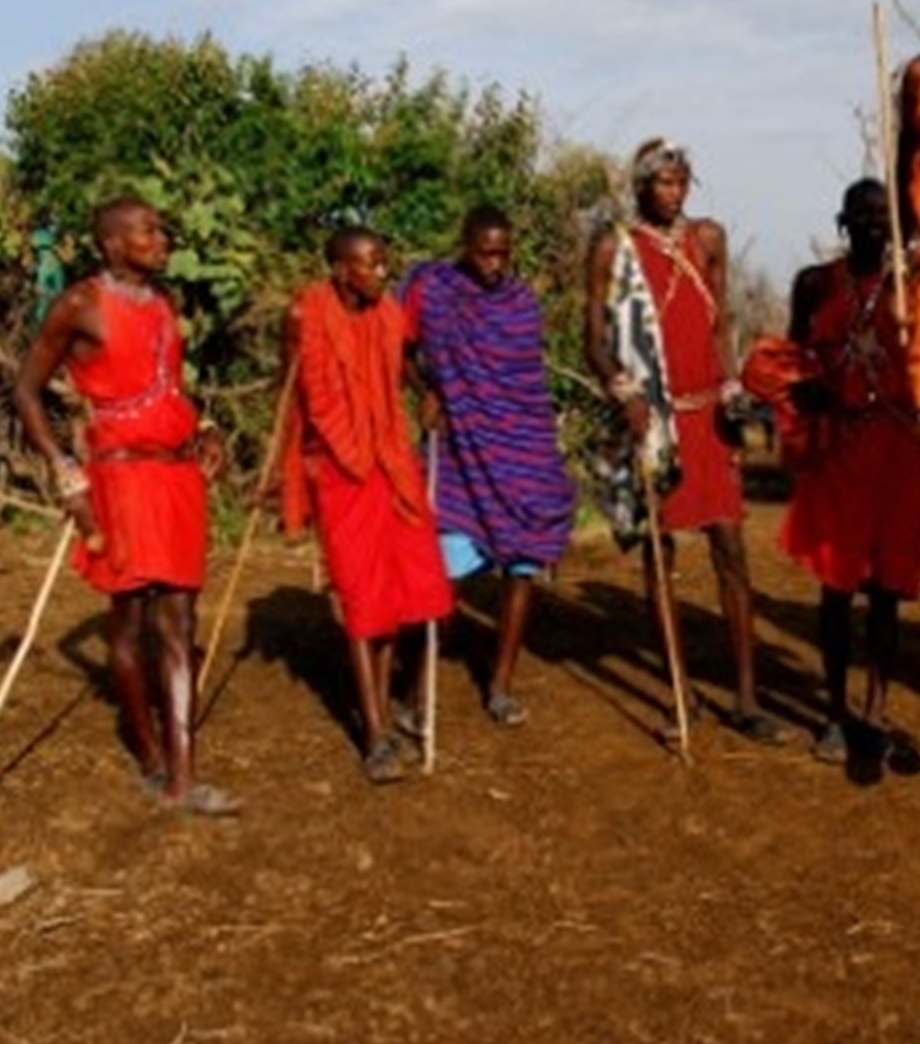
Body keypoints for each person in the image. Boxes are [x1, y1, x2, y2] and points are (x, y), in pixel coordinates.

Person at [14, 196, 235, 815]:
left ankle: (182, 779)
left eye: (161, 229)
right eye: (148, 232)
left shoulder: (163, 303)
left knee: (181, 621)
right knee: (133, 621)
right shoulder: (79, 305)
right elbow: (26, 390)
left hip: (176, 476)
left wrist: (204, 427)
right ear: (112, 244)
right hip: (121, 478)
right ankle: (153, 757)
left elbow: (171, 388)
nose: (162, 240)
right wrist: (66, 474)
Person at [584, 138, 786, 747]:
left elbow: (720, 322)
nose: (674, 193)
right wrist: (624, 391)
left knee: (731, 548)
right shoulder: (614, 248)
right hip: (654, 419)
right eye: (662, 183)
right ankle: (679, 692)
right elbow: (594, 338)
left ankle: (746, 698)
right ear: (641, 186)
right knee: (660, 553)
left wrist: (732, 387)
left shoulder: (708, 239)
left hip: (707, 413)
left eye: (681, 182)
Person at [759, 179, 920, 766]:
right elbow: (794, 360)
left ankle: (876, 711)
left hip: (897, 453)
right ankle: (834, 713)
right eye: (863, 215)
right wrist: (804, 401)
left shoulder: (913, 288)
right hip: (839, 450)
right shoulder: (815, 284)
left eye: (883, 215)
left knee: (885, 592)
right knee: (836, 590)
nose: (874, 224)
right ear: (843, 222)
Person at [279, 227, 454, 785]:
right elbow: (295, 391)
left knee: (402, 587)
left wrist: (424, 392)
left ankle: (382, 703)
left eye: (384, 263)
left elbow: (400, 360)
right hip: (338, 467)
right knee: (360, 594)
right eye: (370, 264)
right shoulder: (305, 314)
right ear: (340, 270)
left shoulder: (386, 312)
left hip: (391, 460)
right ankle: (375, 735)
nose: (382, 273)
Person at [402, 204, 578, 727]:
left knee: (521, 568)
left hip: (522, 450)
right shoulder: (433, 291)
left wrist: (535, 452)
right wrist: (426, 388)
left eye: (503, 254)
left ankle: (500, 686)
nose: (494, 264)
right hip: (459, 448)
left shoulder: (521, 304)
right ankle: (417, 693)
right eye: (484, 253)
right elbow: (397, 347)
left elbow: (526, 384)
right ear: (465, 246)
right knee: (447, 572)